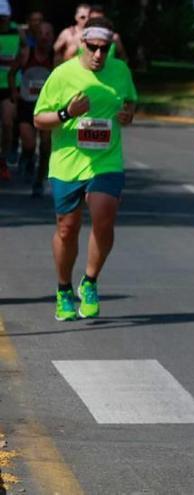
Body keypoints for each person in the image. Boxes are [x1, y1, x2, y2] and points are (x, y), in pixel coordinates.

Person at [33, 16, 137, 321]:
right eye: (93, 47)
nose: (99, 55)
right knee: (67, 228)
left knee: (104, 217)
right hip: (67, 163)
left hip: (106, 160)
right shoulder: (62, 75)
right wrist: (67, 112)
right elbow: (40, 119)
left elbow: (130, 103)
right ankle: (64, 289)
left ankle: (90, 281)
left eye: (105, 49)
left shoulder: (119, 71)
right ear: (83, 43)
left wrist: (128, 114)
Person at [8, 20, 52, 196]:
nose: (44, 37)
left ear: (52, 37)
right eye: (41, 34)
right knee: (29, 143)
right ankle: (27, 157)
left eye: (48, 34)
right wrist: (14, 93)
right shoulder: (26, 54)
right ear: (35, 36)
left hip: (47, 107)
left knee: (46, 147)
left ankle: (39, 181)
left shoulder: (56, 58)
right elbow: (12, 74)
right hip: (27, 104)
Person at [0, 2, 17, 182]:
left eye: (4, 15)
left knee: (7, 123)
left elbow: (25, 54)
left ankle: (3, 159)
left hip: (10, 86)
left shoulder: (17, 32)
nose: (1, 19)